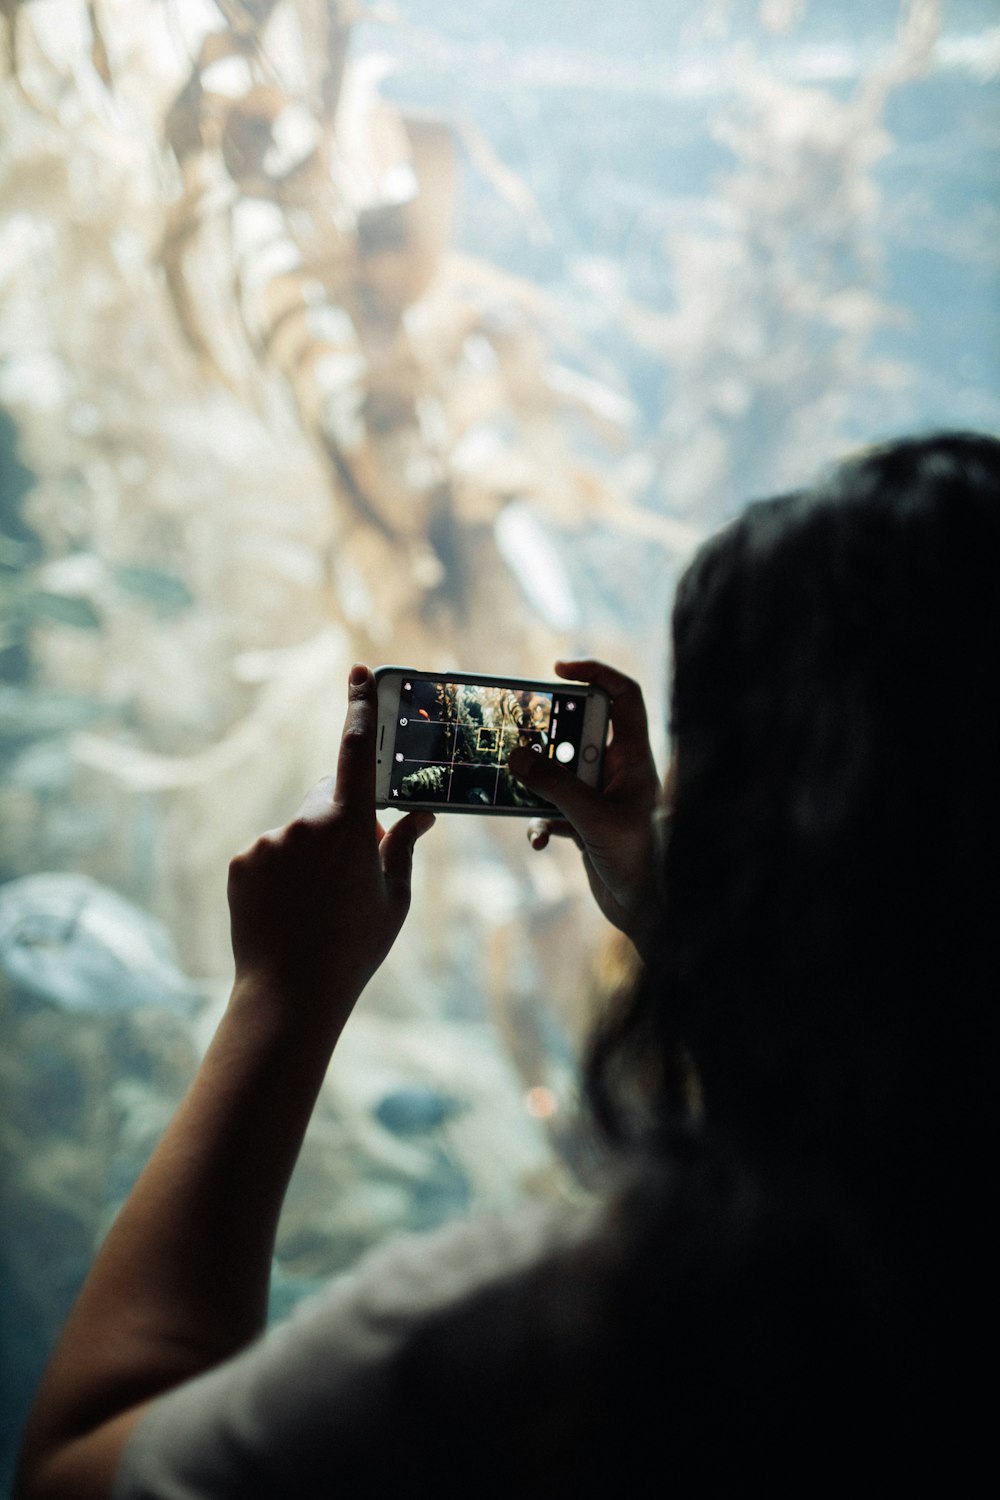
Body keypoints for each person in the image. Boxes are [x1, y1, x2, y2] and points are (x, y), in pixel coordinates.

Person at [15, 431, 998, 1498]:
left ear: (749, 833)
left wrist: (279, 1001)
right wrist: (672, 920)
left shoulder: (554, 1336)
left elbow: (77, 1468)